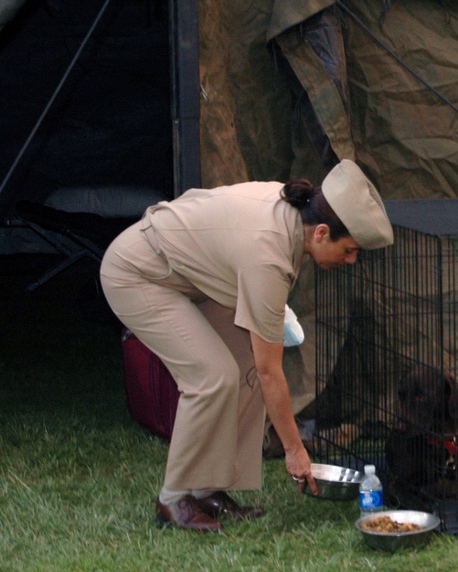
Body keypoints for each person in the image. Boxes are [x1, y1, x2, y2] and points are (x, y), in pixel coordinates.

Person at [100, 160, 393, 532]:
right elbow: (274, 374)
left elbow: (261, 366)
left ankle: (206, 488)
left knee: (247, 366)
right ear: (321, 233)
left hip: (194, 277)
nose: (351, 261)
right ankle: (174, 500)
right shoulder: (268, 253)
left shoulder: (293, 216)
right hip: (136, 273)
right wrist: (294, 450)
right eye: (349, 250)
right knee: (213, 375)